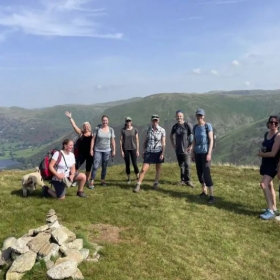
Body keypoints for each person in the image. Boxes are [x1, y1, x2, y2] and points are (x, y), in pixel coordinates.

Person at [134, 114, 166, 192]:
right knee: (144, 169)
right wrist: (143, 150)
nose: (155, 121)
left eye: (156, 120)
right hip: (149, 151)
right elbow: (146, 140)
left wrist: (162, 153)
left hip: (158, 151)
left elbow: (163, 143)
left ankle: (156, 183)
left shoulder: (162, 130)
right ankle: (138, 184)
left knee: (158, 168)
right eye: (153, 120)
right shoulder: (149, 129)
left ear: (158, 121)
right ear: (151, 121)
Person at [257, 115, 280, 220]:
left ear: (278, 124)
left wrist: (261, 154)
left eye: (275, 123)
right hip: (265, 163)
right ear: (268, 123)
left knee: (263, 184)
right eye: (271, 122)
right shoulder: (267, 134)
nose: (273, 124)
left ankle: (270, 210)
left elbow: (273, 153)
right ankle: (274, 208)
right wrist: (262, 152)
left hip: (272, 164)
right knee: (270, 186)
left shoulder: (278, 136)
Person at [191, 109, 215, 203]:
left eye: (201, 115)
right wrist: (192, 152)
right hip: (197, 153)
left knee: (206, 173)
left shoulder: (207, 126)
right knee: (199, 173)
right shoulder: (195, 127)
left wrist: (209, 153)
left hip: (205, 153)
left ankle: (212, 195)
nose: (199, 117)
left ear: (203, 116)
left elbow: (211, 140)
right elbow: (194, 141)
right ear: (196, 116)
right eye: (198, 115)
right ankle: (204, 191)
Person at [65, 111, 93, 183]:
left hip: (90, 153)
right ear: (83, 127)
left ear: (89, 127)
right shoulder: (81, 133)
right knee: (76, 166)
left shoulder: (93, 134)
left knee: (88, 167)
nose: (86, 127)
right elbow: (74, 126)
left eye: (87, 126)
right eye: (85, 126)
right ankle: (74, 178)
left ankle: (87, 180)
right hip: (81, 153)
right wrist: (70, 118)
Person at [89, 115, 116, 189]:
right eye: (103, 120)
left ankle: (103, 180)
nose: (105, 122)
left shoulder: (111, 130)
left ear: (108, 121)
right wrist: (91, 149)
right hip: (97, 150)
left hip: (107, 150)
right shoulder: (97, 128)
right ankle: (92, 181)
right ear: (101, 121)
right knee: (95, 166)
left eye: (106, 120)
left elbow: (112, 140)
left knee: (104, 166)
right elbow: (93, 139)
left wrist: (114, 150)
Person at [170, 110, 194, 187]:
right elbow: (171, 135)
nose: (179, 117)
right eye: (177, 116)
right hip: (178, 150)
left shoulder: (187, 125)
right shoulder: (175, 126)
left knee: (187, 165)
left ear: (183, 116)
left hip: (186, 149)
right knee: (181, 165)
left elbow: (193, 135)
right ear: (175, 117)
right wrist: (173, 144)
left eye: (180, 116)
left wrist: (191, 146)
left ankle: (188, 181)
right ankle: (182, 180)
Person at [120, 117, 140, 183]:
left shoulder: (135, 130)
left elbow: (137, 140)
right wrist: (121, 151)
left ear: (131, 122)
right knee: (127, 164)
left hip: (133, 148)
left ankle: (138, 177)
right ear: (125, 122)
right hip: (125, 149)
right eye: (127, 121)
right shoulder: (123, 130)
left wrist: (137, 150)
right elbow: (121, 140)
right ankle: (129, 178)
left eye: (129, 121)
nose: (128, 122)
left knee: (134, 164)